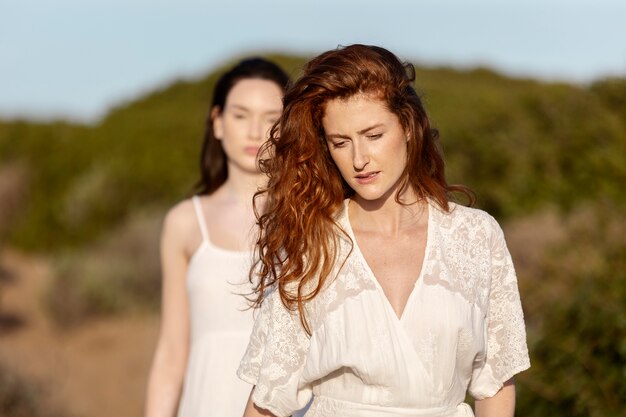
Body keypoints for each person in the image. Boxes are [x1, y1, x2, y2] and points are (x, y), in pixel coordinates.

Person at [238, 45, 530, 417]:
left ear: (408, 127)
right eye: (340, 142)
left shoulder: (476, 236)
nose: (359, 159)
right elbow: (268, 400)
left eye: (373, 135)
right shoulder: (314, 243)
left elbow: (496, 382)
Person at [144, 57, 290, 417]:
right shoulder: (184, 222)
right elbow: (171, 351)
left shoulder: (312, 217)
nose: (256, 131)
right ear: (218, 122)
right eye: (241, 115)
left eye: (271, 119)